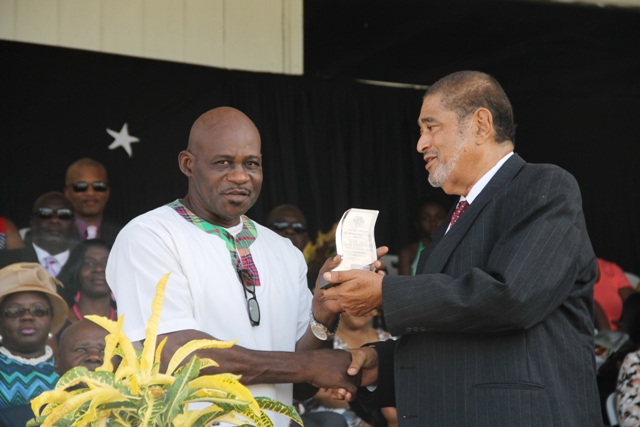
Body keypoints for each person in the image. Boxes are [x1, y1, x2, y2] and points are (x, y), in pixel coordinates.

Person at [321, 71, 601, 425]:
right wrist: (379, 361)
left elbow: (511, 298)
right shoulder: (456, 218)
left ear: (481, 125)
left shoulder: (545, 187)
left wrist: (386, 294)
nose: (421, 144)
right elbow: (456, 335)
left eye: (431, 127)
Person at [106, 107, 374, 427]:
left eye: (251, 163)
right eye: (223, 162)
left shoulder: (284, 251)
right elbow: (179, 357)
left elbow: (300, 386)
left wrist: (325, 313)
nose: (240, 176)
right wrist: (308, 365)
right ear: (188, 164)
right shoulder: (149, 236)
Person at [0, 262, 68, 409]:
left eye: (38, 310)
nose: (27, 317)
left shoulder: (68, 367)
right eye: (14, 311)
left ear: (51, 317)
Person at [0, 192, 76, 277]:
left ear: (73, 223)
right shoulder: (5, 261)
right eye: (45, 214)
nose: (54, 220)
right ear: (32, 221)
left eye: (64, 214)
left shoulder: (84, 263)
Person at [56, 239, 116, 338]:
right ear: (76, 271)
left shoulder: (131, 324)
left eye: (106, 263)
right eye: (88, 264)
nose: (99, 269)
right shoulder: (58, 323)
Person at [64, 158, 123, 247]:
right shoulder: (53, 233)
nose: (90, 193)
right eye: (81, 186)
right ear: (67, 193)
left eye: (99, 186)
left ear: (107, 192)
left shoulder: (123, 233)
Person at [397, 196, 449, 276]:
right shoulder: (408, 252)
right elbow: (403, 286)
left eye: (438, 217)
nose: (433, 223)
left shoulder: (453, 249)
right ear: (417, 223)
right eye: (426, 218)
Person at [593, 257, 636, 331]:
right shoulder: (568, 277)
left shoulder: (609, 269)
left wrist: (631, 327)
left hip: (619, 338)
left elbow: (634, 304)